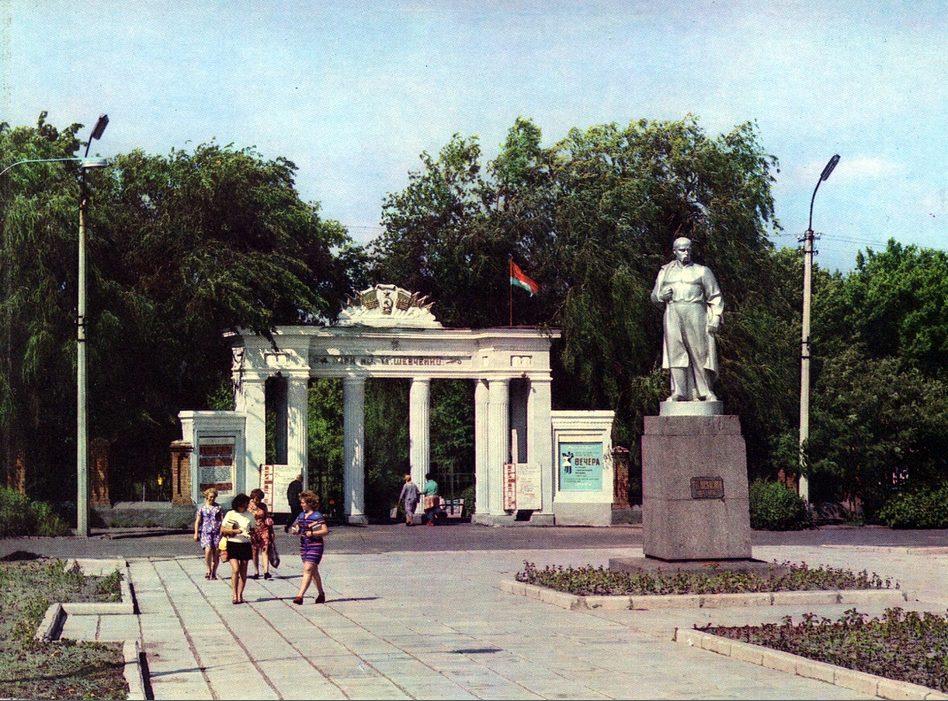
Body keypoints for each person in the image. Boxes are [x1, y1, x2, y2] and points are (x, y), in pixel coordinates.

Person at [651, 237, 723, 402]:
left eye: (689, 249)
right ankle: (679, 391)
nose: (686, 253)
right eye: (682, 250)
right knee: (675, 352)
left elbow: (715, 296)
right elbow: (654, 296)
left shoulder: (702, 271)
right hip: (673, 311)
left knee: (700, 352)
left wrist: (716, 317)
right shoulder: (665, 271)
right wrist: (661, 296)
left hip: (696, 311)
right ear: (674, 251)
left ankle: (705, 391)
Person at [290, 490, 328, 605]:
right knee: (313, 571)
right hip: (304, 545)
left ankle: (300, 596)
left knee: (307, 569)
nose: (301, 504)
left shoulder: (317, 516)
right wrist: (295, 530)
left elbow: (325, 531)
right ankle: (321, 594)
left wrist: (312, 533)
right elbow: (295, 527)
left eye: (303, 503)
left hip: (316, 546)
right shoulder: (301, 515)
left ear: (309, 503)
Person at [220, 493, 255, 604]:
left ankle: (240, 595)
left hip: (245, 544)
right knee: (235, 569)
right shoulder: (230, 514)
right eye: (244, 504)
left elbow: (253, 530)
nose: (246, 506)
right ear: (238, 504)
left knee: (243, 571)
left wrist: (251, 534)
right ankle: (234, 594)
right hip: (233, 543)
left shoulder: (250, 515)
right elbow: (222, 530)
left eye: (246, 504)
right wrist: (235, 531)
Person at [193, 487, 223, 580]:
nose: (212, 499)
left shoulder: (218, 507)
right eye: (210, 497)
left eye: (214, 497)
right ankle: (208, 569)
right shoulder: (202, 508)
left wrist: (223, 532)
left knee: (216, 553)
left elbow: (222, 521)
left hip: (217, 532)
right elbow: (197, 521)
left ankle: (214, 572)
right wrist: (196, 533)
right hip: (206, 532)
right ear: (207, 497)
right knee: (208, 550)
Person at [248, 488, 274, 580]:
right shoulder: (248, 506)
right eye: (257, 499)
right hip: (253, 531)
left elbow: (267, 518)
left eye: (260, 499)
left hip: (264, 529)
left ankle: (266, 572)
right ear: (253, 498)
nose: (258, 501)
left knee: (265, 549)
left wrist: (271, 531)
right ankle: (256, 572)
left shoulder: (263, 506)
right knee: (254, 551)